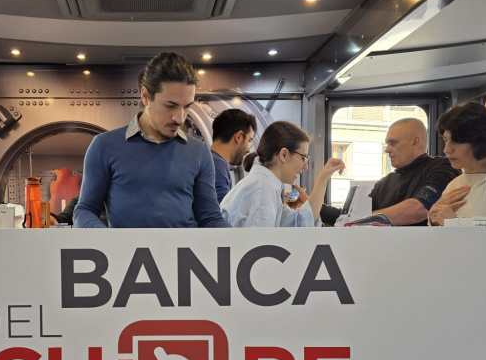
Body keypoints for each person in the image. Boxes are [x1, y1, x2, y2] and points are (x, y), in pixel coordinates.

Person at [74, 52, 227, 228]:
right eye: (170, 106)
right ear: (145, 96)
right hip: (127, 254)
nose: (180, 118)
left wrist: (240, 243)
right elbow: (84, 210)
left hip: (183, 255)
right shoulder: (104, 146)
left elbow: (210, 219)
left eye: (187, 107)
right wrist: (109, 242)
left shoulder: (199, 151)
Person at [221, 121, 344, 227]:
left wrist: (323, 178)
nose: (305, 166)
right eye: (303, 158)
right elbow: (260, 247)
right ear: (284, 155)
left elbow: (299, 222)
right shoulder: (262, 189)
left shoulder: (267, 185)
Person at [365, 118, 462, 225]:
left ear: (415, 142)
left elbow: (419, 209)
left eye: (393, 143)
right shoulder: (383, 184)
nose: (387, 150)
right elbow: (356, 215)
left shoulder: (443, 167)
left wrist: (366, 219)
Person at [210, 109, 256, 202]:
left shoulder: (208, 160)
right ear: (239, 137)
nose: (248, 150)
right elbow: (222, 214)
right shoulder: (218, 167)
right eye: (249, 140)